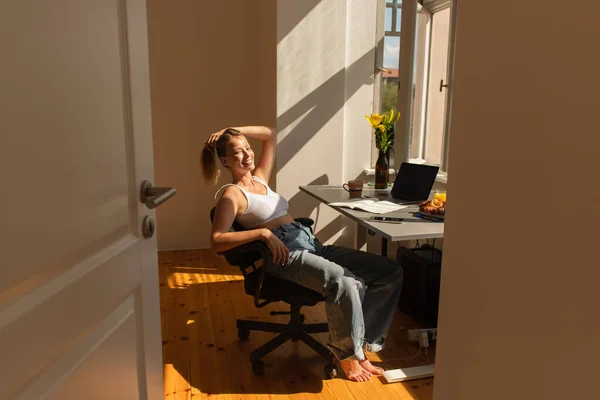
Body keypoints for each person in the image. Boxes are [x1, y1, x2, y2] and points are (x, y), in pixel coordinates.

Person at [201, 126, 403, 382]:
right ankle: (348, 358)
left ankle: (360, 346)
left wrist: (232, 130)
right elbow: (217, 240)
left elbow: (269, 134)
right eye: (237, 152)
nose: (247, 155)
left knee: (388, 271)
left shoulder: (260, 178)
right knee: (344, 281)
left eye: (247, 148)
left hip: (309, 242)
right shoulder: (232, 194)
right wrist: (262, 234)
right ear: (224, 160)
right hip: (285, 253)